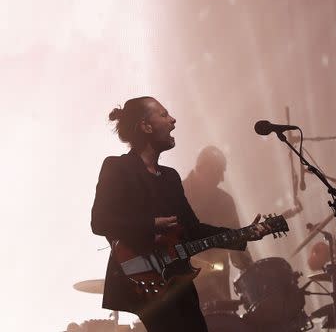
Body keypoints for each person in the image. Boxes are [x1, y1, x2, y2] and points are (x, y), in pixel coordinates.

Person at [91, 96, 270, 332]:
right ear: (146, 126)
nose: (173, 120)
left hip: (178, 278)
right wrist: (151, 224)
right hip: (142, 277)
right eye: (164, 115)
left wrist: (243, 234)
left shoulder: (170, 177)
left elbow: (192, 229)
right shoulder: (117, 167)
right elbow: (100, 221)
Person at [182, 145, 254, 306]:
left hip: (217, 290)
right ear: (203, 168)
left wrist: (251, 269)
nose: (221, 178)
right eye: (218, 171)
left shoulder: (225, 202)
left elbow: (237, 250)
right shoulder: (175, 193)